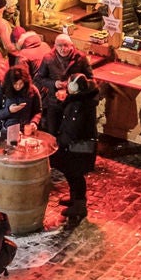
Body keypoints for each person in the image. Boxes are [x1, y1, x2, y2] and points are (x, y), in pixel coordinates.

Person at [46, 69, 98, 226]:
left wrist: (58, 142)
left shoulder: (78, 105)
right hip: (76, 146)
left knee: (75, 174)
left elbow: (72, 128)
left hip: (77, 148)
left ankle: (79, 206)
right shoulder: (80, 100)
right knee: (72, 174)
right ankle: (75, 198)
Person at [30, 32, 88, 102]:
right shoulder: (48, 58)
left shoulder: (80, 57)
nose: (63, 48)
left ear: (71, 45)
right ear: (55, 46)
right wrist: (54, 83)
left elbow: (89, 78)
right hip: (54, 99)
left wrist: (73, 84)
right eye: (59, 45)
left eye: (66, 45)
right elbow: (39, 78)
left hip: (74, 99)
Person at [0, 66, 41, 139]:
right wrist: (9, 110)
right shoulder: (1, 92)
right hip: (7, 130)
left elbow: (38, 110)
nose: (18, 86)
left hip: (26, 129)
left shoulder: (32, 90)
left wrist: (34, 122)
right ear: (10, 83)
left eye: (21, 83)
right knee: (12, 147)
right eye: (15, 84)